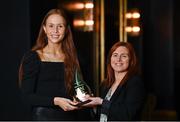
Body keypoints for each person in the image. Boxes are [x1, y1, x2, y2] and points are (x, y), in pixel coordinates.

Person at [18, 8, 91, 120]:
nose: (55, 31)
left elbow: (80, 90)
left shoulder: (75, 58)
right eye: (51, 26)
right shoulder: (33, 57)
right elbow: (26, 97)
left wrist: (83, 97)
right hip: (43, 118)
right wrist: (55, 101)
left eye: (60, 26)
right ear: (44, 29)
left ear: (66, 30)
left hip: (71, 117)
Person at [83, 41, 146, 121]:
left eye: (124, 56)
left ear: (131, 60)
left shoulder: (135, 83)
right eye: (115, 55)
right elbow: (101, 115)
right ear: (110, 59)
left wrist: (101, 101)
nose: (118, 59)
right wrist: (92, 105)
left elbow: (127, 114)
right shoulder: (105, 84)